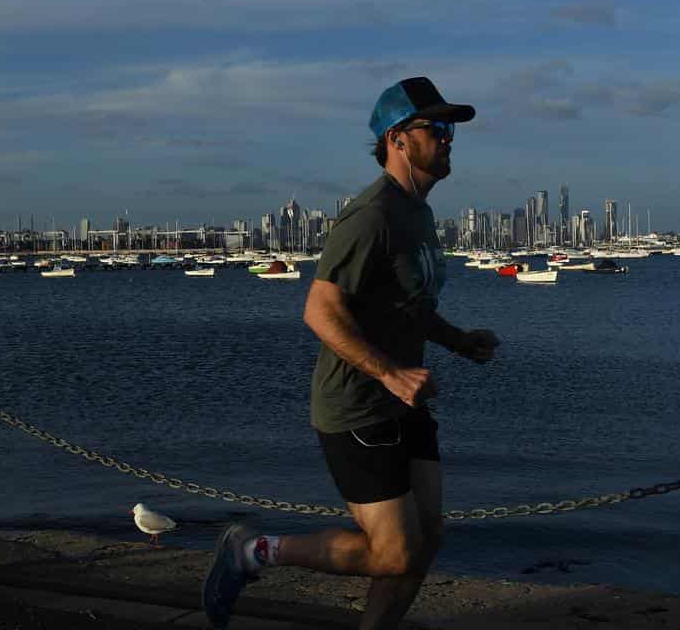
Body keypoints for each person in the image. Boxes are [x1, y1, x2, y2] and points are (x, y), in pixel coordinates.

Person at [204, 77, 501, 629]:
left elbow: (406, 306)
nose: (448, 138)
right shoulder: (373, 215)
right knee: (391, 553)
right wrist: (390, 373)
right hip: (358, 408)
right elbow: (319, 310)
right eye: (435, 128)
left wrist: (457, 340)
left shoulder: (419, 213)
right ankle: (252, 551)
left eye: (451, 128)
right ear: (398, 139)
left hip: (402, 401)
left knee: (426, 540)